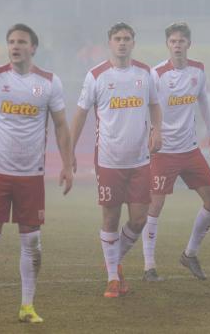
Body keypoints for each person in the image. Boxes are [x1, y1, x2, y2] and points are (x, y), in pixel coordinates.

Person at [0, 23, 74, 324]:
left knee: (32, 242)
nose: (15, 46)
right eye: (11, 41)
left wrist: (67, 163)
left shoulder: (49, 83)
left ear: (33, 47)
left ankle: (27, 306)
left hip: (31, 177)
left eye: (21, 42)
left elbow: (62, 125)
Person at [70, 22, 162, 298]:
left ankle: (112, 257)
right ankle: (113, 276)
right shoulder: (96, 76)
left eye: (127, 38)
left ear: (134, 42)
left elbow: (155, 105)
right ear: (109, 43)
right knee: (110, 217)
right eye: (117, 38)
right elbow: (81, 114)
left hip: (140, 160)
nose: (122, 43)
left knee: (139, 219)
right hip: (109, 159)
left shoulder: (145, 74)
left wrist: (157, 130)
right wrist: (69, 150)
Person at [141, 22, 210, 282]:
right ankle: (149, 266)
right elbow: (146, 107)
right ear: (168, 44)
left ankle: (189, 254)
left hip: (189, 150)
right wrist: (153, 133)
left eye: (181, 42)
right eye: (173, 41)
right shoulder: (156, 74)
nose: (177, 46)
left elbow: (204, 100)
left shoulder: (198, 70)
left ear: (189, 44)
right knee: (155, 205)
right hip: (164, 152)